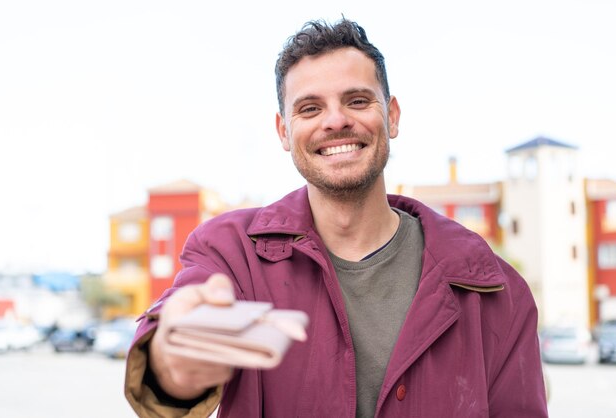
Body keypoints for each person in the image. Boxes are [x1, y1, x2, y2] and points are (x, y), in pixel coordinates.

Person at [125, 18, 549, 418]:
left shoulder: (496, 290)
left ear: (393, 116)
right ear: (284, 133)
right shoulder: (230, 254)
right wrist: (173, 359)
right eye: (309, 109)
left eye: (357, 100)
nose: (335, 121)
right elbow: (169, 350)